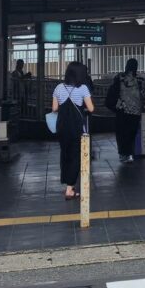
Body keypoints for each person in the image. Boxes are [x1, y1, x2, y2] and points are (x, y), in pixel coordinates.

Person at [51, 61, 94, 200]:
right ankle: (69, 189)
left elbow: (54, 109)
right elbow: (91, 108)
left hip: (62, 127)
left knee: (66, 154)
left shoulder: (58, 88)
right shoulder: (83, 89)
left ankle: (68, 184)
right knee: (76, 156)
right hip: (77, 128)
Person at [108, 58, 145, 162]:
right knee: (132, 133)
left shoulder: (119, 77)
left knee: (121, 133)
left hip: (121, 109)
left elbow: (114, 90)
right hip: (135, 111)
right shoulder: (140, 79)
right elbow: (143, 94)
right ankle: (130, 154)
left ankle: (122, 154)